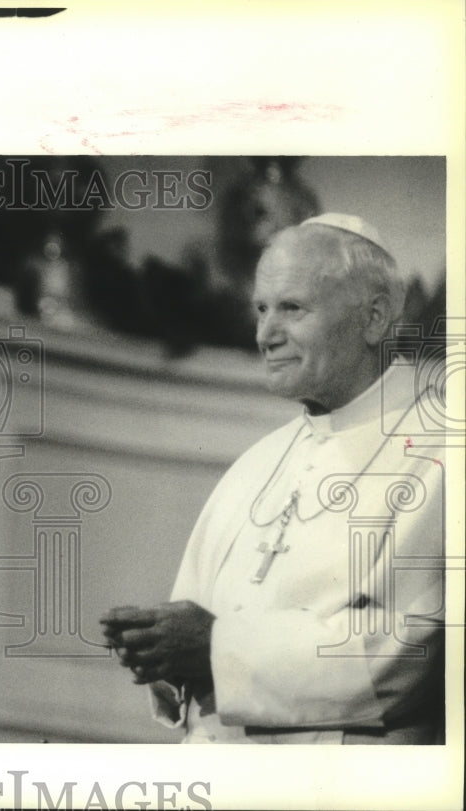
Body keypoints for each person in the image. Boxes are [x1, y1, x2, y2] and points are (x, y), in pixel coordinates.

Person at [101, 213, 446, 744]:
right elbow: (195, 633)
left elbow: (406, 657)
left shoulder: (437, 452)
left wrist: (216, 647)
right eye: (261, 309)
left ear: (375, 317)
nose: (265, 334)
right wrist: (161, 648)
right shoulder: (257, 463)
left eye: (292, 308)